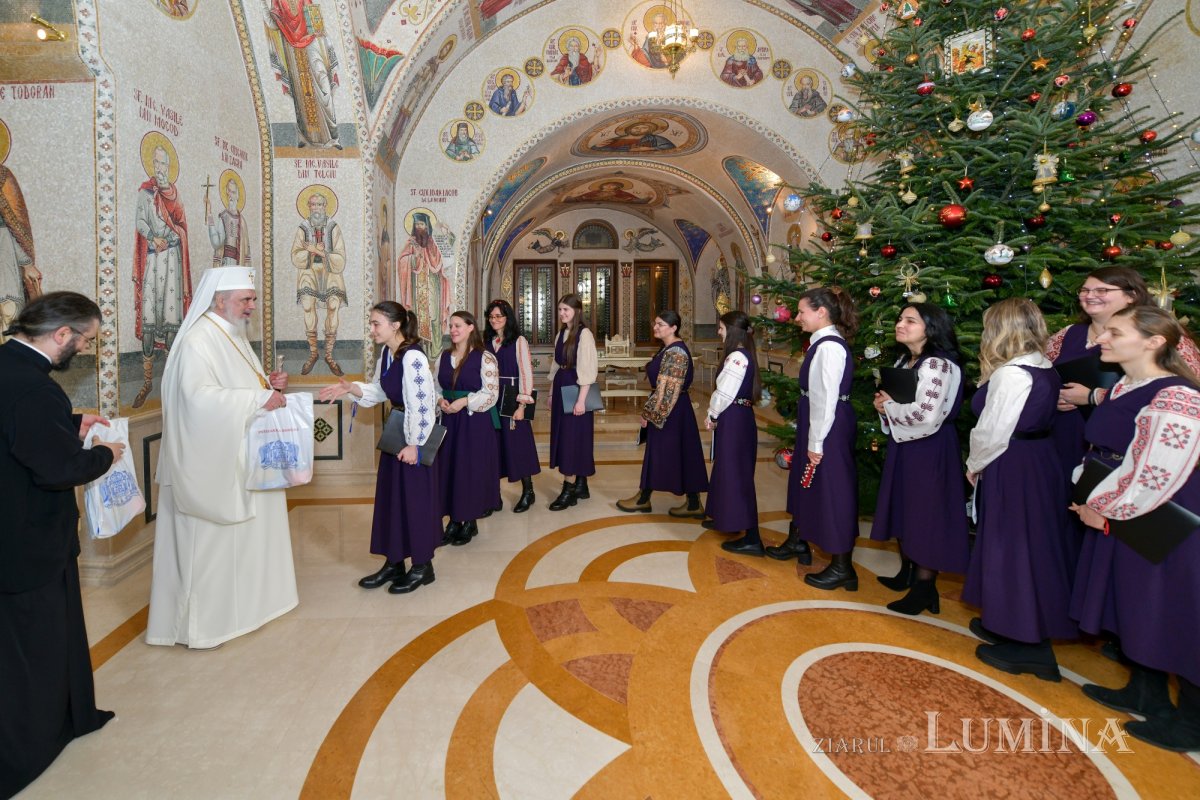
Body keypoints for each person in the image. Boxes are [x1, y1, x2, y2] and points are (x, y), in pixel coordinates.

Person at [0, 293, 122, 798]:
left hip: (12, 528)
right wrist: (104, 456)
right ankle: (31, 744)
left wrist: (71, 425)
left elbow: (16, 438)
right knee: (35, 644)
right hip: (29, 538)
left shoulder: (8, 368)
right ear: (62, 334)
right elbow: (56, 471)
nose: (85, 348)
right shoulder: (36, 389)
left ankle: (72, 715)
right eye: (86, 339)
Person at [1070, 306, 1200, 752]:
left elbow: (1157, 474)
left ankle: (1192, 724)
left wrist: (1103, 508)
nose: (1101, 339)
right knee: (1140, 602)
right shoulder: (1130, 385)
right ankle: (1145, 691)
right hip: (1132, 505)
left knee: (1177, 611)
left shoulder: (1178, 397)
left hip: (1164, 516)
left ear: (1154, 341)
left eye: (1114, 333)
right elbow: (1126, 457)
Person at [147, 266, 299, 649]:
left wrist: (267, 385)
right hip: (211, 465)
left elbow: (239, 385)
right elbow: (196, 400)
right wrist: (255, 397)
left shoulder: (233, 335)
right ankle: (205, 626)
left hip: (242, 456)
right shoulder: (199, 340)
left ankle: (250, 608)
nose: (251, 306)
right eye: (245, 300)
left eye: (252, 299)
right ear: (219, 300)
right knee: (211, 547)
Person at [962, 298, 1076, 682]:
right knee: (1029, 544)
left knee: (1013, 547)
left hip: (1013, 464)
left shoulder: (1012, 374)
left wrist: (973, 465)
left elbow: (994, 431)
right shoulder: (1043, 365)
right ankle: (1010, 624)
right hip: (1038, 461)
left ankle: (1032, 647)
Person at [319, 302, 441, 593]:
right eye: (371, 323)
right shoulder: (388, 354)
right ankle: (394, 562)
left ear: (395, 325)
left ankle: (423, 567)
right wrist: (351, 388)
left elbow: (423, 404)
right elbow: (380, 391)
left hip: (413, 439)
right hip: (395, 432)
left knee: (415, 502)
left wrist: (415, 445)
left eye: (376, 323)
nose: (372, 329)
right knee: (392, 501)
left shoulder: (413, 357)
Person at [1050, 266, 1200, 490]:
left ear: (1131, 296)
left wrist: (1093, 396)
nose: (1090, 295)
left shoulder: (1159, 337)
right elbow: (1039, 376)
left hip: (1128, 447)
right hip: (1070, 437)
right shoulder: (1068, 334)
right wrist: (1054, 397)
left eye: (1102, 290)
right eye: (1085, 290)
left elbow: (1186, 393)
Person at [869, 303, 969, 614]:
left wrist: (889, 409)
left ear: (931, 327)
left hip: (930, 448)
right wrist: (884, 406)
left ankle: (925, 588)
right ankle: (908, 572)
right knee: (905, 506)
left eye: (910, 320)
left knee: (926, 514)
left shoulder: (937, 365)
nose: (900, 324)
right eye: (900, 318)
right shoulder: (906, 359)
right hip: (905, 444)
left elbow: (926, 415)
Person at [777, 287, 860, 583]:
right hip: (823, 423)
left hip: (830, 426)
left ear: (821, 312)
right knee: (813, 485)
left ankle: (842, 566)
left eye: (802, 312)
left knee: (833, 490)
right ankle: (803, 539)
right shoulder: (821, 344)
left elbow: (826, 398)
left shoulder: (829, 347)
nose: (797, 317)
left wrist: (816, 443)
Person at [617, 311, 708, 516]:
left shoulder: (676, 352)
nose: (655, 327)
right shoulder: (667, 349)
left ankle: (647, 498)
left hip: (670, 411)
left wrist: (649, 414)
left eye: (661, 324)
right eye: (655, 323)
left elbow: (668, 391)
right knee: (677, 453)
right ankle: (689, 502)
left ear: (674, 327)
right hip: (674, 410)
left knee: (666, 453)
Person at [132, 142, 192, 408]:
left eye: (164, 164)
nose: (160, 168)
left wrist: (172, 238)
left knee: (170, 319)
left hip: (172, 262)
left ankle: (170, 379)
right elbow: (141, 222)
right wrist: (152, 237)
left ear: (169, 167)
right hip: (154, 260)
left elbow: (181, 226)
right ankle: (147, 381)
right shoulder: (145, 194)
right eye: (156, 163)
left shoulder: (174, 195)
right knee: (149, 318)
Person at [436, 311, 501, 545]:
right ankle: (454, 520)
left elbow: (491, 394)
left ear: (471, 327)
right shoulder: (443, 357)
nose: (453, 330)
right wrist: (440, 400)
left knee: (470, 470)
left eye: (458, 325)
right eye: (450, 325)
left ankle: (470, 522)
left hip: (474, 422)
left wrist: (464, 401)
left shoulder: (485, 358)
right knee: (450, 469)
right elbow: (436, 386)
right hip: (450, 422)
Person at [703, 311, 762, 550]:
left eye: (721, 327)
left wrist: (712, 414)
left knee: (736, 474)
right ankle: (728, 518)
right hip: (738, 417)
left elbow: (725, 392)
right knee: (729, 470)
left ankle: (752, 538)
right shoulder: (743, 354)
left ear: (732, 330)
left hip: (734, 419)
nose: (718, 331)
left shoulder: (737, 356)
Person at [485, 299, 540, 512]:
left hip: (512, 396)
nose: (494, 320)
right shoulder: (487, 341)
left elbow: (526, 372)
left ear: (508, 317)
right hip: (491, 398)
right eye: (491, 317)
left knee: (518, 444)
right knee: (494, 447)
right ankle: (494, 496)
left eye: (499, 316)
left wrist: (522, 405)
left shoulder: (518, 341)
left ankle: (528, 491)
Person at [264, 0, 342, 148]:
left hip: (311, 42)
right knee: (300, 92)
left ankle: (333, 135)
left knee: (322, 83)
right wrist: (270, 12)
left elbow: (313, 15)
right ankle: (307, 137)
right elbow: (274, 20)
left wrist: (318, 29)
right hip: (292, 48)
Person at [547, 294, 597, 510]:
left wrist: (581, 401)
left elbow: (588, 369)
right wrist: (550, 393)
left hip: (577, 389)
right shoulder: (562, 333)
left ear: (577, 311)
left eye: (566, 310)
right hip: (561, 386)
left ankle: (569, 491)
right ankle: (581, 484)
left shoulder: (584, 334)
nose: (562, 314)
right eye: (560, 310)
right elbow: (556, 366)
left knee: (572, 439)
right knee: (569, 436)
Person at [291, 188, 347, 375]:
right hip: (309, 271)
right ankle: (313, 353)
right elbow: (295, 256)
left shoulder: (333, 228)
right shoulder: (303, 228)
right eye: (313, 204)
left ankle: (329, 355)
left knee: (333, 306)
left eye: (320, 204)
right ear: (308, 206)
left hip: (330, 271)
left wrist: (320, 251)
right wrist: (311, 252)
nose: (317, 208)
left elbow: (340, 257)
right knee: (308, 306)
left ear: (326, 206)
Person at [0, 154, 41, 344]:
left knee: (10, 311)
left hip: (4, 254)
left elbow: (15, 227)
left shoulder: (3, 177)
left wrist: (26, 263)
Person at [395, 211, 450, 347]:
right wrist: (414, 258)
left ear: (427, 226)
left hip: (432, 285)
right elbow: (402, 260)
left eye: (422, 224)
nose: (419, 227)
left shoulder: (433, 243)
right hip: (416, 288)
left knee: (434, 316)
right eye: (417, 224)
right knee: (418, 317)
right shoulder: (411, 243)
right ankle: (420, 347)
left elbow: (442, 259)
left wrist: (446, 235)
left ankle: (435, 349)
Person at [206, 171, 252, 267]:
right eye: (229, 191)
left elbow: (247, 252)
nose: (231, 195)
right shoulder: (224, 217)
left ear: (238, 196)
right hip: (226, 264)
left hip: (240, 265)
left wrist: (249, 277)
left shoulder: (242, 222)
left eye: (233, 192)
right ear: (226, 192)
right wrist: (209, 214)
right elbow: (216, 242)